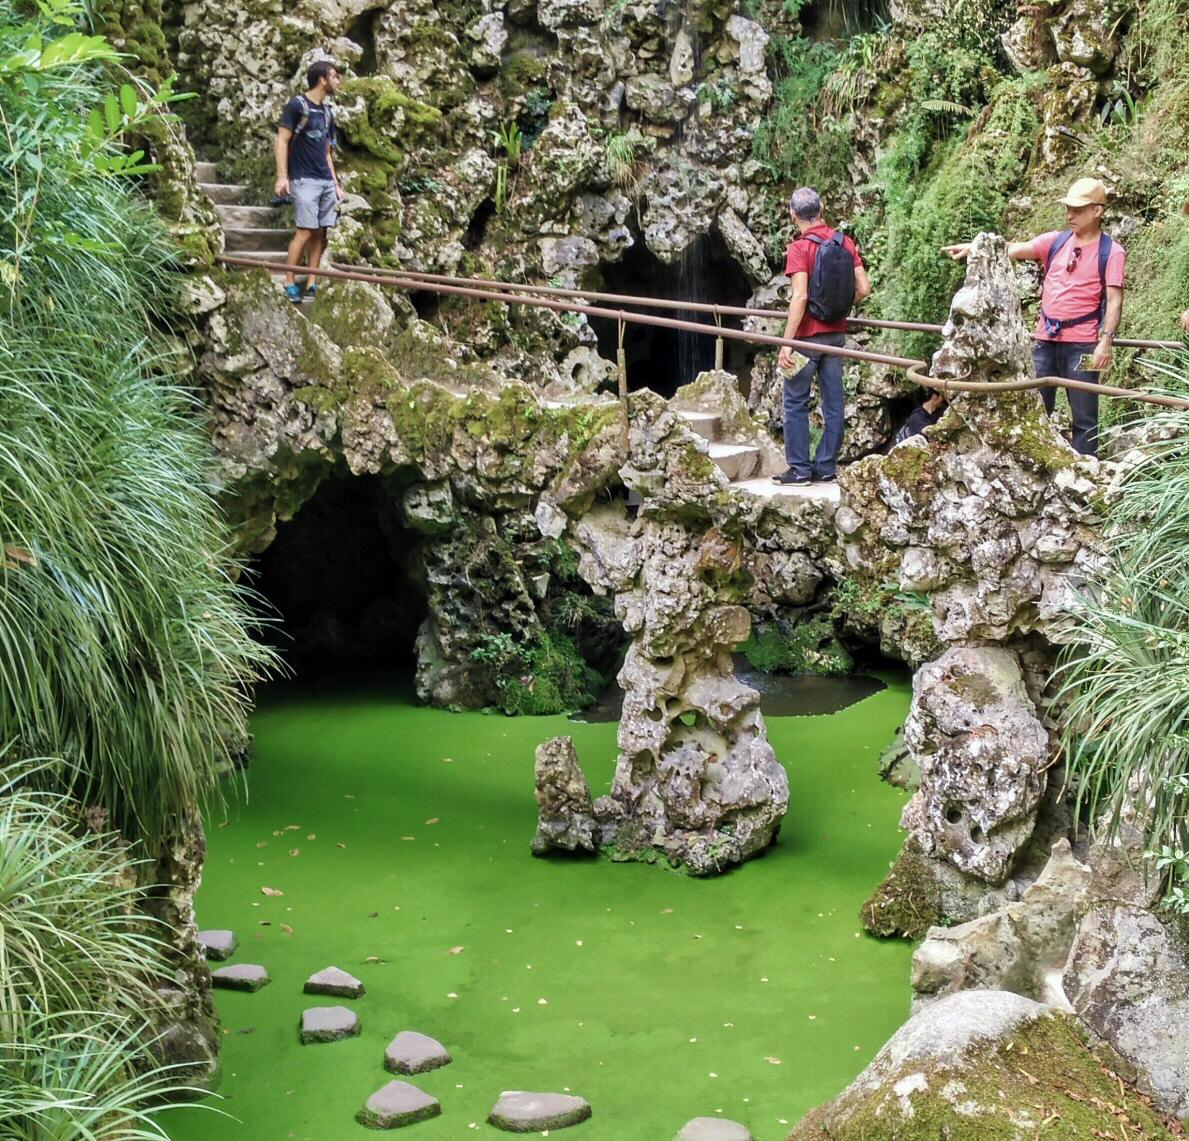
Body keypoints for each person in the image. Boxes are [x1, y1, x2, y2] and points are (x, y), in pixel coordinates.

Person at [943, 177, 1125, 457]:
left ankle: (1086, 473)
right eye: (1069, 209)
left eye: (1077, 210)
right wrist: (974, 247)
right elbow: (1013, 248)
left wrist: (1106, 341)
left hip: (1084, 344)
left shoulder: (1111, 252)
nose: (1070, 215)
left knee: (1085, 416)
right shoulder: (1056, 241)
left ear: (1097, 211)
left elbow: (1114, 301)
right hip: (1045, 339)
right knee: (1035, 407)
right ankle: (1038, 468)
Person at [772, 187, 872, 486]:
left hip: (805, 340)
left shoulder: (799, 249)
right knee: (833, 404)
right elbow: (864, 289)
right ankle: (826, 466)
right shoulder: (845, 243)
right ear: (823, 208)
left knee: (795, 402)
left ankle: (800, 469)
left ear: (793, 215)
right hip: (836, 338)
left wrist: (787, 342)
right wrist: (838, 307)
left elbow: (800, 296)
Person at [274, 60, 343, 303]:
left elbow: (327, 153)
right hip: (303, 179)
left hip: (324, 181)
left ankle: (312, 281)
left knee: (321, 233)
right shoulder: (297, 105)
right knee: (305, 231)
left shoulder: (327, 113)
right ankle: (289, 280)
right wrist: (282, 176)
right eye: (334, 77)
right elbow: (281, 140)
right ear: (322, 80)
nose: (338, 81)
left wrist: (335, 184)